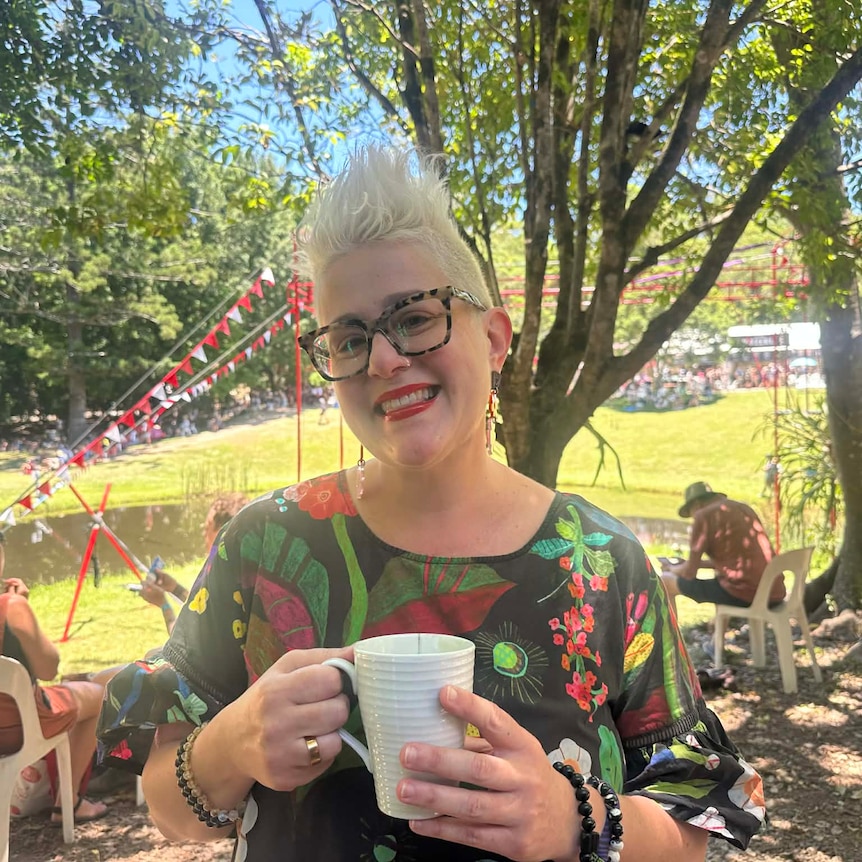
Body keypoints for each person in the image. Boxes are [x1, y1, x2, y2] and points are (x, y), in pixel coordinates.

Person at [97, 148, 764, 862]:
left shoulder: (601, 561)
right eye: (348, 339)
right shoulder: (263, 545)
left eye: (414, 318)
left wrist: (577, 819)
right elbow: (171, 809)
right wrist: (232, 743)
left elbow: (696, 823)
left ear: (495, 339)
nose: (384, 360)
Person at [0, 539, 110, 823]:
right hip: (18, 729)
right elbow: (49, 668)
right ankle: (68, 802)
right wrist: (22, 607)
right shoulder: (11, 607)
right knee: (99, 695)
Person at [139, 493, 250, 635]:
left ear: (223, 533)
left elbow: (182, 640)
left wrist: (164, 605)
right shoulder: (249, 570)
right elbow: (202, 607)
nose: (204, 532)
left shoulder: (219, 579)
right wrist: (176, 589)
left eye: (208, 526)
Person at [661, 481, 781, 609]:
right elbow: (734, 562)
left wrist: (671, 569)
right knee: (720, 578)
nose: (693, 518)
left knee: (665, 581)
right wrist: (692, 563)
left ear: (696, 505)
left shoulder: (703, 516)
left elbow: (689, 573)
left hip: (746, 594)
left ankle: (670, 624)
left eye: (691, 514)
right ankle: (722, 621)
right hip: (775, 592)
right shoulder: (744, 508)